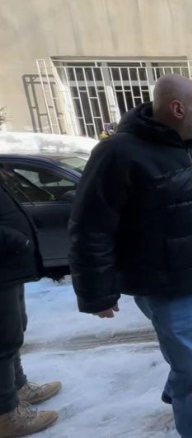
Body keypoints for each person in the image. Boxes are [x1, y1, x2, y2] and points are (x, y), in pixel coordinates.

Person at [69, 74, 192, 438]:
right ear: (177, 109)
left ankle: (179, 389)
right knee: (190, 363)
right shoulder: (118, 153)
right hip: (162, 283)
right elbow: (90, 226)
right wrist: (97, 292)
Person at [0, 175, 60, 437]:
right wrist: (16, 239)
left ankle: (18, 387)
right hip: (3, 266)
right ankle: (6, 416)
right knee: (2, 342)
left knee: (13, 333)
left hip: (9, 268)